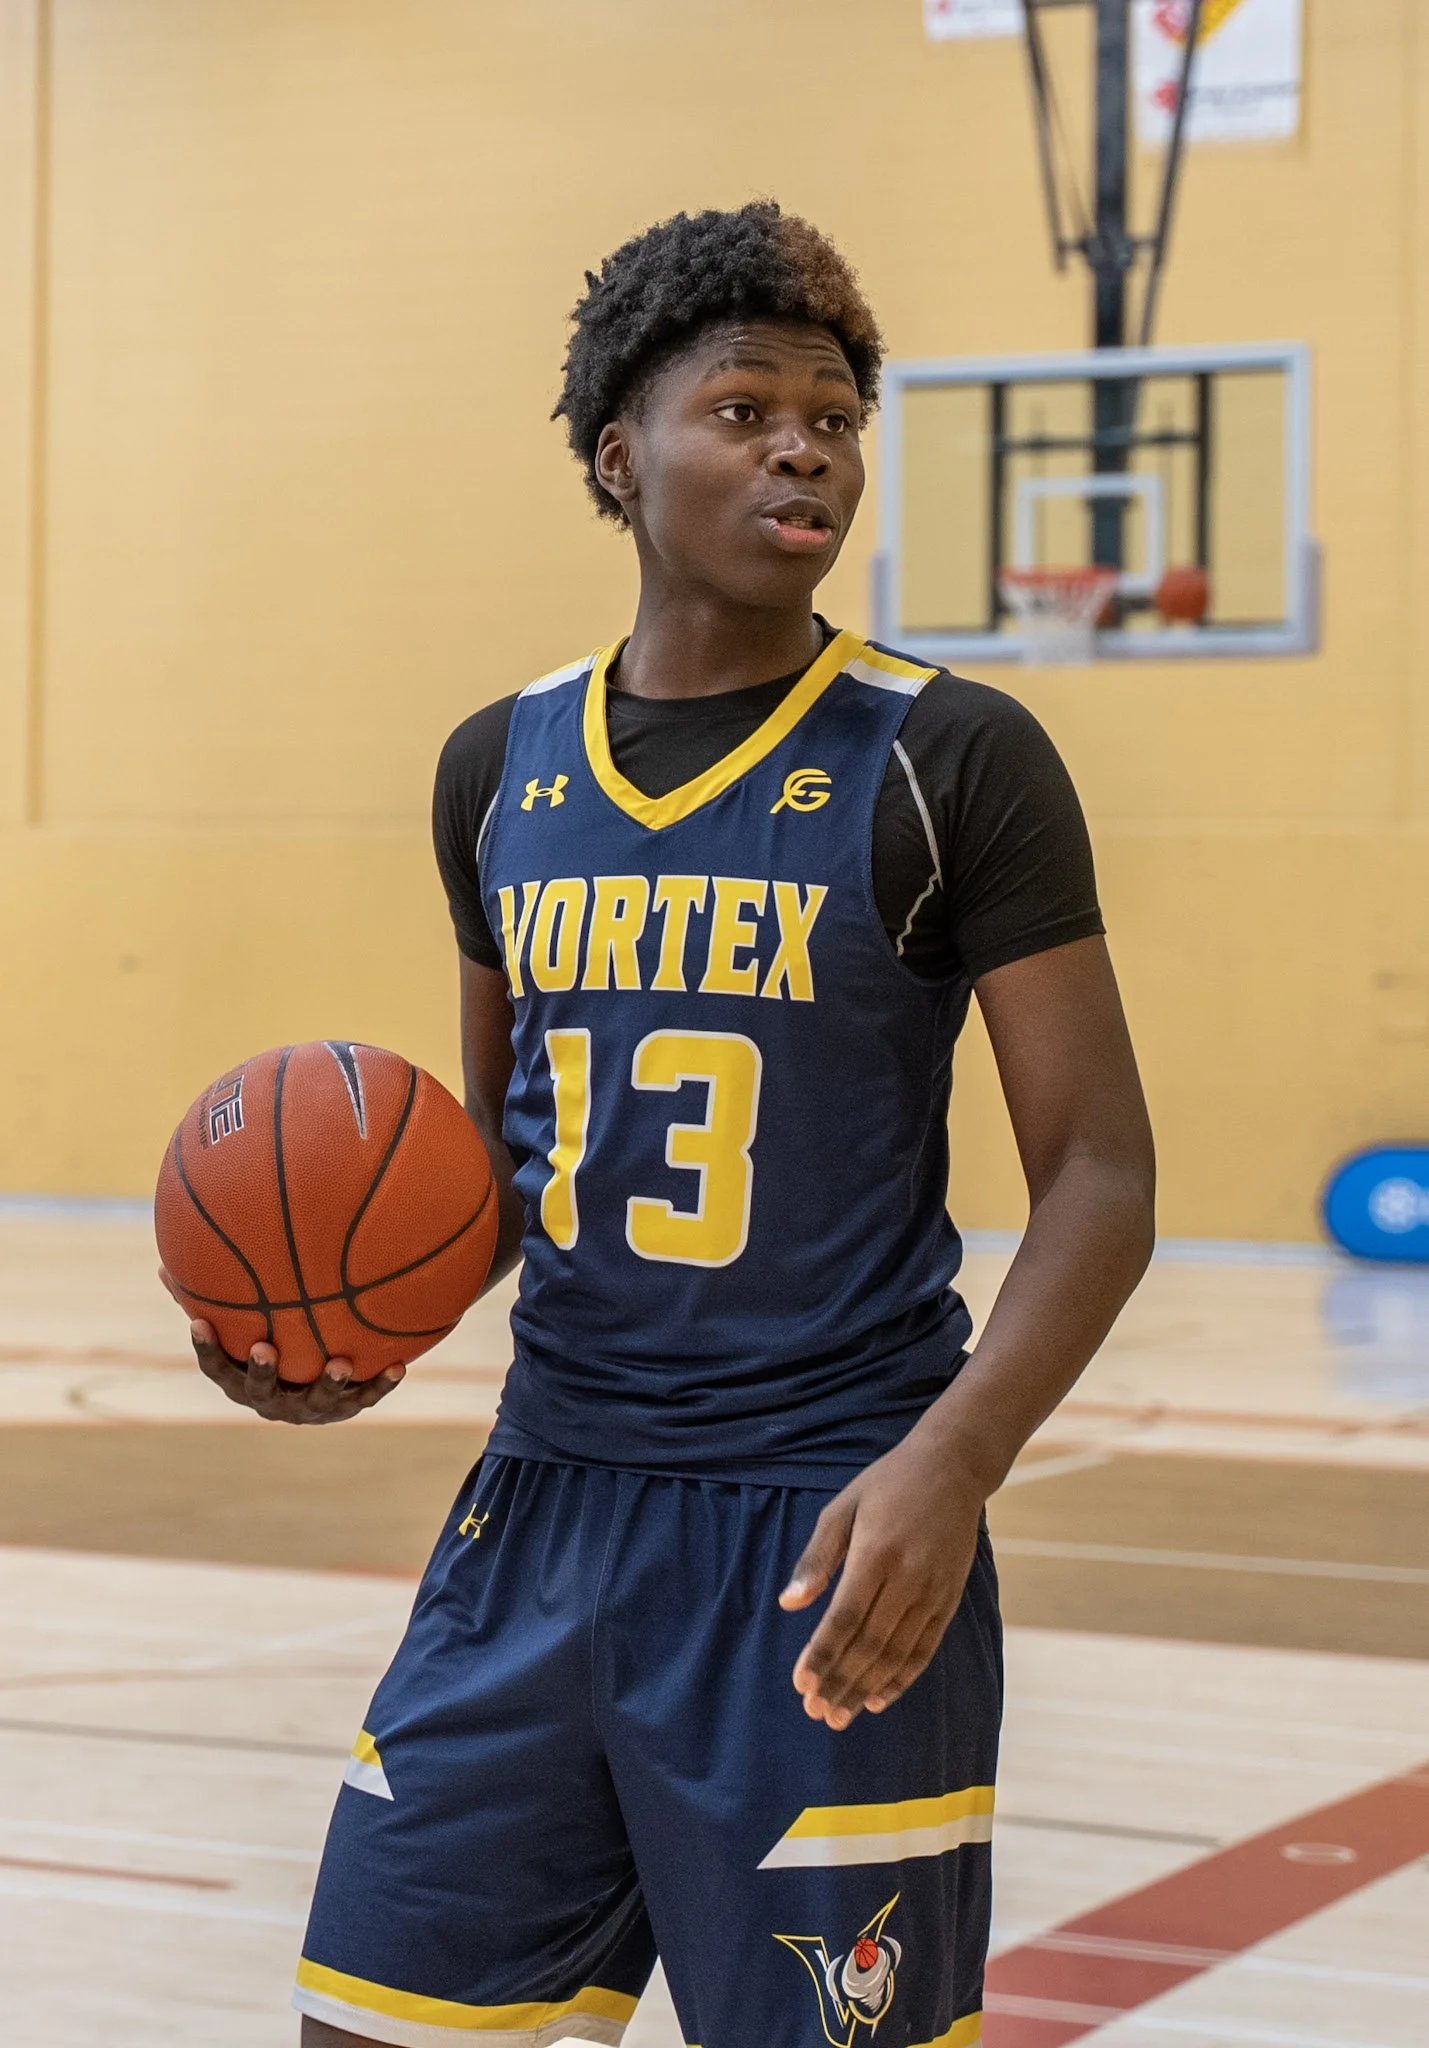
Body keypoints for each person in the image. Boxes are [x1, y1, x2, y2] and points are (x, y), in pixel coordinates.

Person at [191, 202, 1155, 2048]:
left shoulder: (950, 759)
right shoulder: (499, 767)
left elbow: (1103, 1173)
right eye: (746, 408)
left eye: (835, 415)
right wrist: (333, 1326)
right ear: (621, 457)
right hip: (537, 1520)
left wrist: (953, 1466)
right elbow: (499, 1169)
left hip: (832, 1533)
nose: (804, 444)